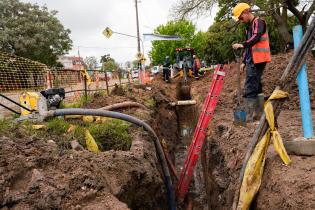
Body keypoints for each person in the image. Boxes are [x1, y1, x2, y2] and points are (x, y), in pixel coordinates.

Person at [232, 2, 271, 121]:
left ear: (246, 12)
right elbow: (250, 47)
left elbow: (256, 37)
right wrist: (244, 61)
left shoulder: (258, 23)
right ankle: (258, 114)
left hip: (258, 60)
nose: (240, 20)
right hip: (252, 59)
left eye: (240, 17)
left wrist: (242, 45)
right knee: (257, 86)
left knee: (250, 86)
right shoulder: (249, 27)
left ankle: (246, 117)